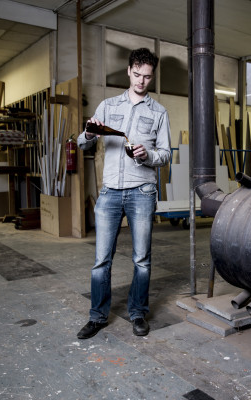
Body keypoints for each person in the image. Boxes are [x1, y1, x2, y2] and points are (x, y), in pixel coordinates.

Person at [76, 48, 171, 339]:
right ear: (129, 71)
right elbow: (82, 142)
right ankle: (97, 316)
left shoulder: (158, 112)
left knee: (141, 259)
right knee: (101, 260)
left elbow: (166, 154)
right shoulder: (108, 106)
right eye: (138, 74)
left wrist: (147, 156)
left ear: (152, 77)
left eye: (148, 77)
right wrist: (90, 133)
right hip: (110, 193)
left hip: (142, 191)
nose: (142, 81)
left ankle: (138, 312)